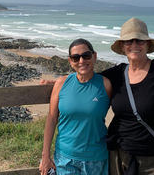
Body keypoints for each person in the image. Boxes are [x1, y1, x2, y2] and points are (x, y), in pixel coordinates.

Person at [41, 18, 154, 175]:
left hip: (151, 156)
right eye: (128, 41)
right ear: (123, 46)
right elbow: (86, 75)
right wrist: (59, 82)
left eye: (139, 40)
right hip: (118, 153)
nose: (134, 44)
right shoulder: (117, 74)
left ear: (147, 44)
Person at [40, 38, 113, 175]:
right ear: (70, 61)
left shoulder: (106, 85)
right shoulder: (61, 84)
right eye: (75, 57)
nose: (81, 61)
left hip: (96, 159)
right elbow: (51, 119)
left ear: (94, 56)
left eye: (86, 55)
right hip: (65, 158)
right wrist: (45, 156)